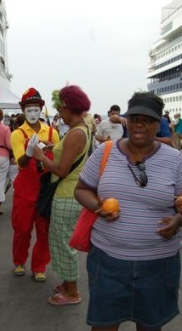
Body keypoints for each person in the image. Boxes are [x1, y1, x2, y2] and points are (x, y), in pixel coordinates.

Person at [74, 91, 182, 331]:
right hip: (108, 261)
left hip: (159, 264)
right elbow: (82, 189)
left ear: (158, 125)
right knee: (103, 326)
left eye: (148, 119)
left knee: (150, 326)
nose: (139, 124)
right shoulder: (105, 152)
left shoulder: (175, 160)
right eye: (134, 118)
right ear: (126, 120)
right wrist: (97, 206)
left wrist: (178, 219)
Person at [33, 85, 91, 304]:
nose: (59, 113)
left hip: (66, 195)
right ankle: (67, 283)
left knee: (63, 243)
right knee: (59, 241)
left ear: (69, 108)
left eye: (60, 109)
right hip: (70, 193)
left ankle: (72, 291)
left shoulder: (76, 133)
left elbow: (61, 169)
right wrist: (53, 148)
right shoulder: (81, 129)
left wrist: (41, 156)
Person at [10, 88, 60, 282]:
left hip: (45, 190)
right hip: (24, 190)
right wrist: (29, 152)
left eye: (36, 109)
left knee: (44, 231)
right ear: (23, 110)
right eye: (28, 109)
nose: (32, 113)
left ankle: (39, 266)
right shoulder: (17, 133)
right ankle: (19, 260)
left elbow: (57, 160)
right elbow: (21, 164)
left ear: (41, 109)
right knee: (22, 230)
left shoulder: (52, 133)